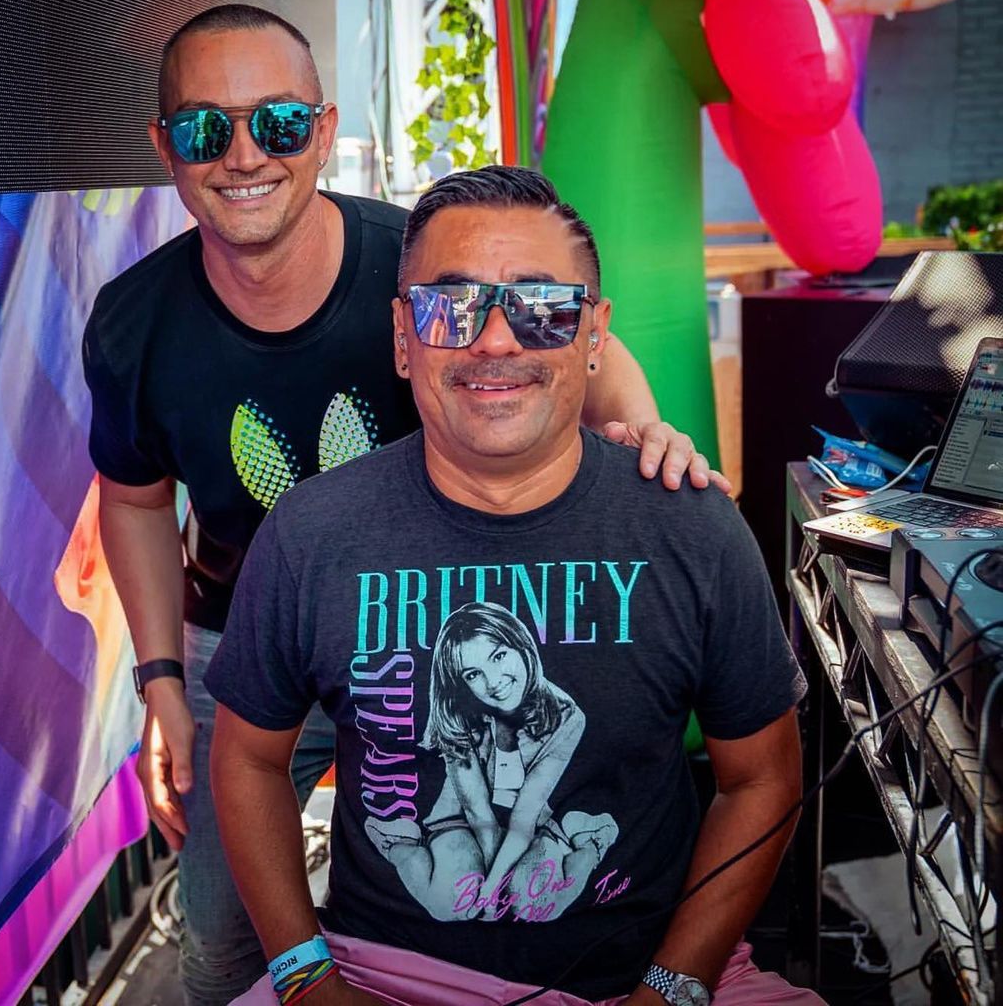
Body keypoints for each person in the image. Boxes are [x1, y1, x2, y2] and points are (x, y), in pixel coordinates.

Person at [81, 6, 725, 1005]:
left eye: (279, 122)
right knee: (220, 937)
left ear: (324, 132)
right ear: (166, 146)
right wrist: (161, 678)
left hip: (431, 634)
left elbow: (577, 352)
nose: (244, 154)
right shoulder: (134, 323)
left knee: (474, 909)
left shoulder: (423, 266)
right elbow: (133, 503)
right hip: (243, 642)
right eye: (207, 128)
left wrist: (647, 440)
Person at [207, 165, 822, 1006]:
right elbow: (248, 759)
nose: (496, 341)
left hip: (651, 971)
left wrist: (673, 983)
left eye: (542, 308)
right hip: (378, 976)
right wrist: (306, 976)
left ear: (594, 335)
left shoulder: (691, 527)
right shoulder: (312, 534)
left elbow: (763, 779)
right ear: (403, 336)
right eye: (451, 307)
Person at [366, 601, 617, 924]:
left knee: (535, 906)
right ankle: (399, 843)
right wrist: (488, 890)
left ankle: (591, 841)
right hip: (460, 820)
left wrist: (493, 888)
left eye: (498, 656)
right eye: (473, 674)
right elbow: (477, 811)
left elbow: (524, 817)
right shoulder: (458, 713)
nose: (494, 681)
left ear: (521, 645)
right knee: (450, 906)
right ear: (461, 683)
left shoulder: (566, 716)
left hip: (534, 823)